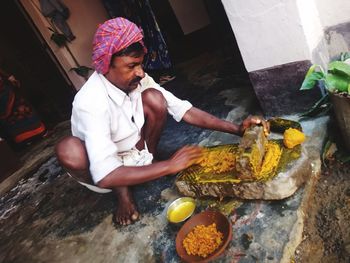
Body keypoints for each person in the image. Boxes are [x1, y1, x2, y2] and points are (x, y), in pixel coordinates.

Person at [55, 17, 269, 226]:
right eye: (130, 66)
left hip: (135, 150)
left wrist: (237, 129)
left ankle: (150, 161)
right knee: (68, 149)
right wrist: (170, 166)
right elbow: (105, 175)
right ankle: (123, 192)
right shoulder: (90, 102)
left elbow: (184, 110)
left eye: (140, 64)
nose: (139, 72)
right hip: (103, 168)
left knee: (155, 98)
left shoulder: (138, 79)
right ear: (105, 66)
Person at [0, 67, 47, 147]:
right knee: (12, 119)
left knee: (23, 111)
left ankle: (39, 132)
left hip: (9, 94)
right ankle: (24, 140)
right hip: (3, 100)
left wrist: (10, 78)